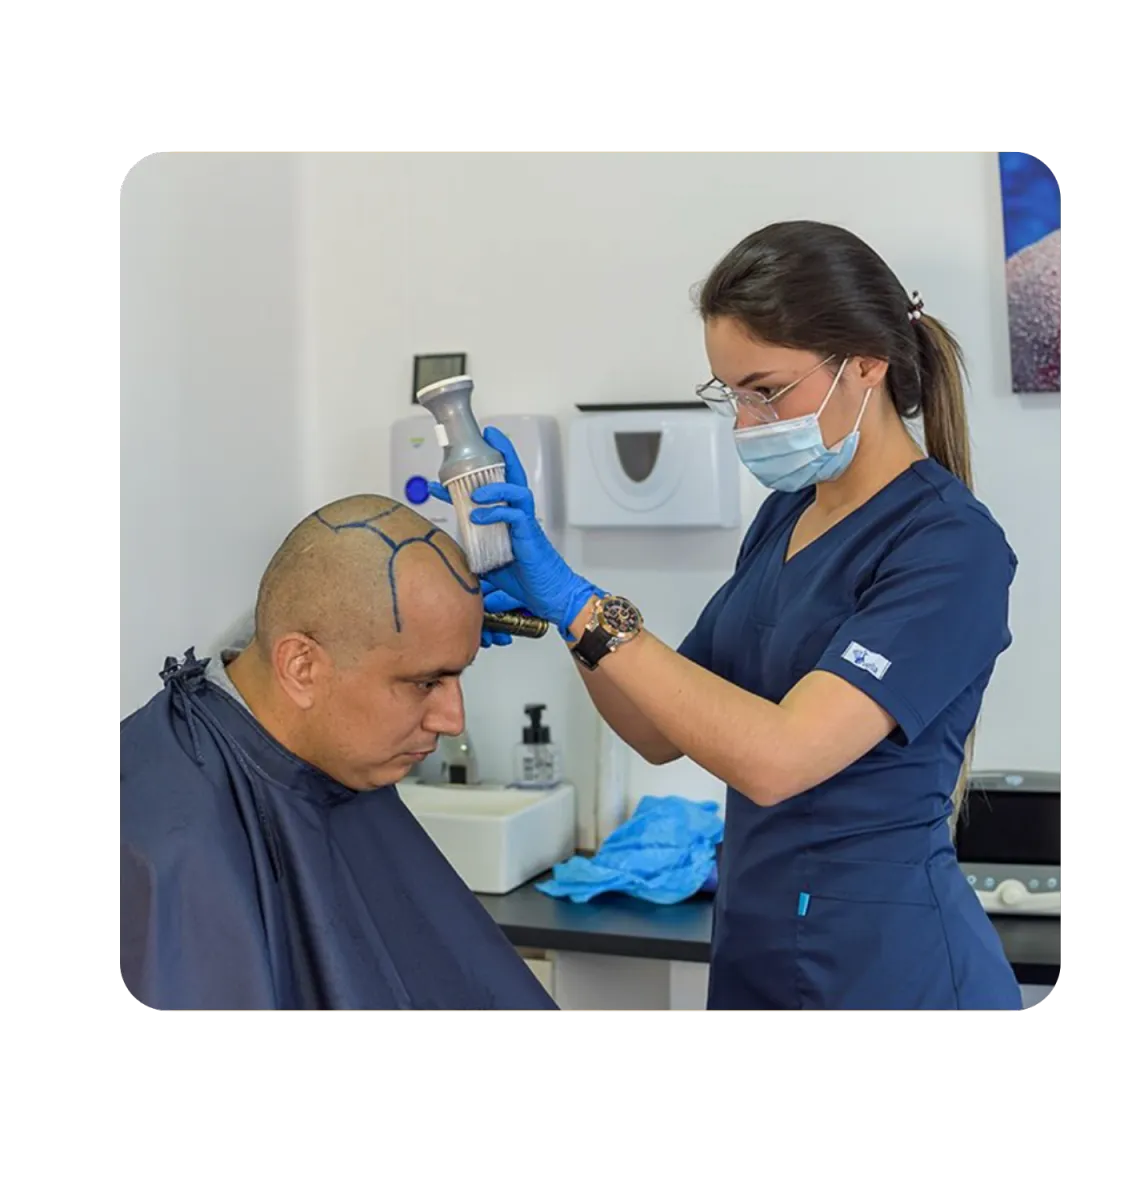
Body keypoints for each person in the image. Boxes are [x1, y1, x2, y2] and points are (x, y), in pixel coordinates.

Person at [433, 220, 1026, 1013]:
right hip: (758, 944)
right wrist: (565, 616)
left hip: (888, 967)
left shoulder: (950, 546)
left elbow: (778, 758)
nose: (747, 422)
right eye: (732, 394)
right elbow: (657, 730)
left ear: (866, 363)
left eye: (766, 389)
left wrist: (578, 601)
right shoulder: (786, 517)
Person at [119, 495, 559, 1014]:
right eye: (426, 682)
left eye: (456, 675)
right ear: (301, 667)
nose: (452, 719)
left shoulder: (332, 757)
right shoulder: (168, 850)